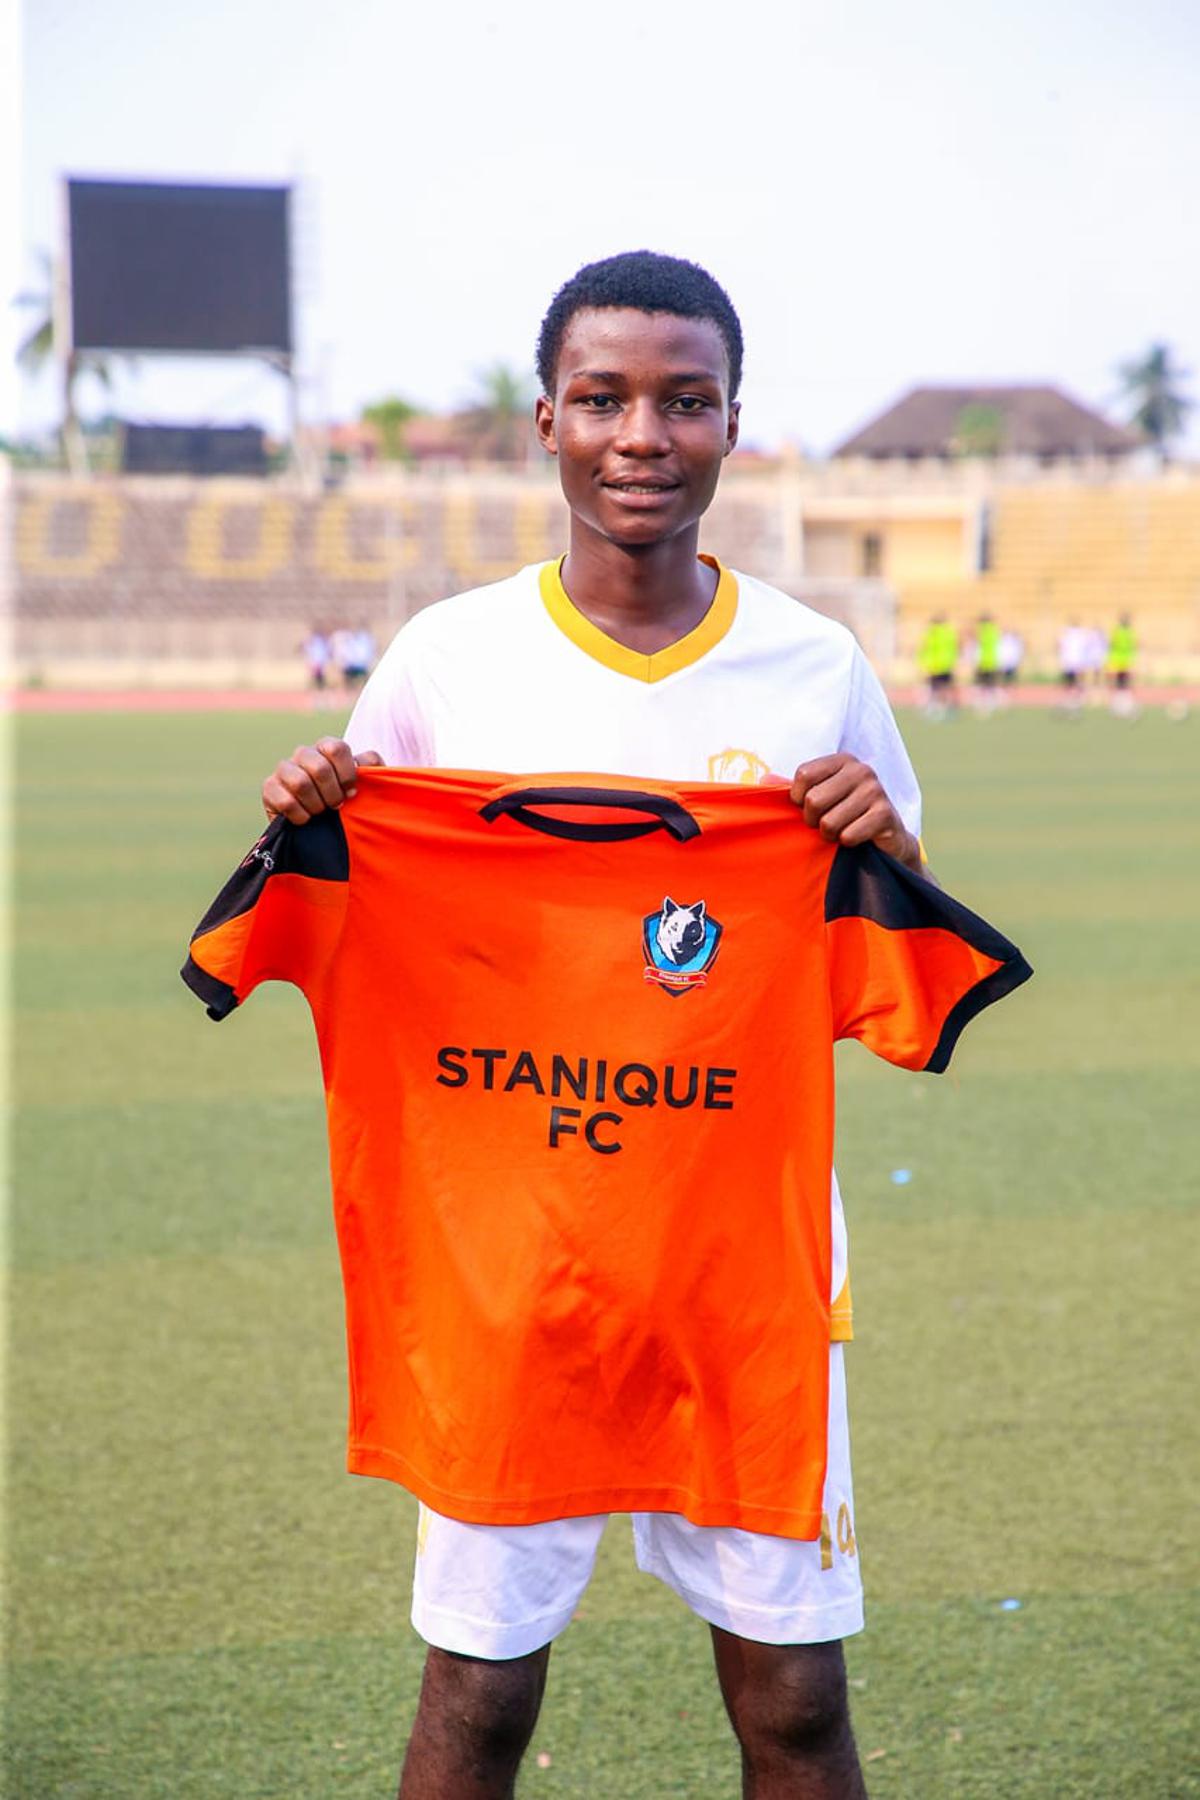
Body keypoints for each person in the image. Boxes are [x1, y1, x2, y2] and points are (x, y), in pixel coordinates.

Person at [261, 252, 935, 1800]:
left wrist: (881, 841)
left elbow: (886, 956)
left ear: (733, 427)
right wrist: (312, 809)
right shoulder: (448, 659)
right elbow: (362, 908)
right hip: (519, 1264)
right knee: (480, 1698)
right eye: (609, 399)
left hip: (741, 1264)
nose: (645, 434)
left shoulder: (815, 668)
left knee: (794, 1703)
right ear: (548, 423)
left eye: (684, 402)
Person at [916, 612, 958, 717]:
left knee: (934, 688)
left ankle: (936, 708)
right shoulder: (948, 632)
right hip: (945, 664)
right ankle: (946, 709)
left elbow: (924, 649)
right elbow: (953, 649)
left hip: (934, 665)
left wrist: (923, 663)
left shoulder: (931, 633)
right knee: (945, 688)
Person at [1106, 612, 1138, 717]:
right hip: (1118, 661)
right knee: (1119, 683)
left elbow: (1133, 646)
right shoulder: (1118, 631)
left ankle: (1125, 705)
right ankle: (1118, 706)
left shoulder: (1129, 632)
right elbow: (1111, 645)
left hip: (1126, 661)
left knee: (1125, 683)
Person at [969, 612, 1001, 714]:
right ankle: (991, 703)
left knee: (981, 684)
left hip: (982, 661)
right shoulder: (994, 630)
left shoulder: (981, 631)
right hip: (992, 661)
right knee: (990, 684)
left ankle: (982, 704)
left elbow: (976, 646)